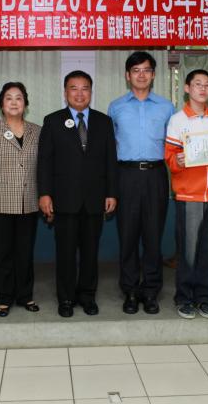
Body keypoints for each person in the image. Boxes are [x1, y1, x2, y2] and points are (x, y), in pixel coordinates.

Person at [38, 71, 118, 318]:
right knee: (65, 253)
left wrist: (111, 193)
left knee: (90, 253)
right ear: (66, 93)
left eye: (85, 88)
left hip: (95, 199)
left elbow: (110, 160)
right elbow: (44, 162)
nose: (80, 93)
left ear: (91, 92)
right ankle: (66, 298)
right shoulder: (53, 121)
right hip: (64, 199)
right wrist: (44, 194)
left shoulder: (104, 122)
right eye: (74, 88)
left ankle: (87, 296)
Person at [108, 51, 175, 314]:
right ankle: (130, 291)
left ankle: (151, 291)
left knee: (153, 236)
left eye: (146, 70)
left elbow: (175, 145)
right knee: (127, 236)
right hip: (125, 175)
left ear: (153, 74)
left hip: (156, 175)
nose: (141, 75)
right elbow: (110, 147)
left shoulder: (166, 107)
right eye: (136, 70)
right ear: (127, 76)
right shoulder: (116, 107)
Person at [164, 69, 208, 319]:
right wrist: (178, 161)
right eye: (197, 84)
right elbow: (169, 158)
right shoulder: (177, 120)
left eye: (207, 85)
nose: (203, 89)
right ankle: (184, 298)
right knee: (188, 251)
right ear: (187, 88)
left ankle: (204, 297)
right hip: (188, 196)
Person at [0, 82, 41, 317]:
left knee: (25, 253)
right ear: (2, 104)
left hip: (29, 203)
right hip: (0, 204)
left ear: (25, 103)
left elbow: (44, 167)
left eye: (19, 98)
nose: (14, 102)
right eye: (9, 98)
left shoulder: (37, 131)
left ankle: (25, 295)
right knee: (2, 254)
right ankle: (4, 298)